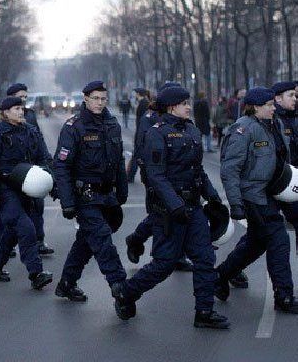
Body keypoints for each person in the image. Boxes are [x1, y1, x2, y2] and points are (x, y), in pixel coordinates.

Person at [115, 85, 230, 329]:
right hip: (169, 210)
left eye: (188, 102)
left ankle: (204, 312)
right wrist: (175, 205)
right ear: (171, 107)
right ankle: (126, 291)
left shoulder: (191, 130)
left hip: (193, 206)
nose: (189, 106)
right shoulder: (156, 134)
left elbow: (197, 170)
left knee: (204, 257)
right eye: (184, 103)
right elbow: (156, 176)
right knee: (164, 264)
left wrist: (213, 197)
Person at [215, 86, 298, 314]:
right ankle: (284, 296)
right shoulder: (243, 129)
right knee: (279, 240)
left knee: (256, 243)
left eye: (273, 104)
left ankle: (220, 276)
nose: (273, 108)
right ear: (255, 107)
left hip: (274, 193)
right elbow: (230, 169)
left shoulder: (275, 125)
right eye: (269, 105)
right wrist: (236, 204)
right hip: (253, 196)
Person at [53, 80, 128, 308]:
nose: (100, 103)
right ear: (85, 99)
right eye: (95, 98)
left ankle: (67, 282)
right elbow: (62, 166)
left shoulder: (112, 124)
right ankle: (120, 288)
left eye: (103, 99)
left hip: (106, 196)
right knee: (102, 240)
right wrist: (67, 202)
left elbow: (118, 160)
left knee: (86, 242)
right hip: (84, 196)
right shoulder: (73, 127)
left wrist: (121, 191)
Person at [0, 96, 53, 289]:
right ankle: (36, 273)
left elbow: (43, 158)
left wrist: (50, 180)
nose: (21, 112)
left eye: (22, 108)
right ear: (5, 113)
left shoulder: (31, 131)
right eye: (16, 109)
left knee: (13, 231)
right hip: (6, 190)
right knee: (27, 228)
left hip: (27, 188)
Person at [125, 82, 193, 272]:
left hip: (178, 172)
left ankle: (178, 254)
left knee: (178, 212)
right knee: (160, 215)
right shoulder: (150, 117)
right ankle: (138, 239)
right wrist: (140, 169)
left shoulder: (180, 118)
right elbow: (142, 141)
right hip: (157, 173)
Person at [0, 83, 54, 256]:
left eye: (25, 98)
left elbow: (38, 140)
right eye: (20, 98)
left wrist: (48, 164)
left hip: (31, 171)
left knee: (36, 206)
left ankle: (39, 241)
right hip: (11, 176)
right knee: (9, 214)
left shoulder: (29, 115)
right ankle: (5, 245)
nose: (24, 101)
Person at [272, 82, 298, 251]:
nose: (295, 99)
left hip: (293, 181)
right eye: (291, 95)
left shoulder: (293, 118)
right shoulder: (274, 120)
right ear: (278, 98)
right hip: (280, 183)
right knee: (262, 235)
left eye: (295, 96)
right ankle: (228, 270)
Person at [126, 88, 150, 183]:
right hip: (142, 132)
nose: (134, 95)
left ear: (138, 94)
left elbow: (141, 120)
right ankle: (131, 175)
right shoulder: (144, 102)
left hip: (141, 132)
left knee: (137, 155)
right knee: (138, 155)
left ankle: (131, 176)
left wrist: (138, 135)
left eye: (135, 93)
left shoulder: (143, 103)